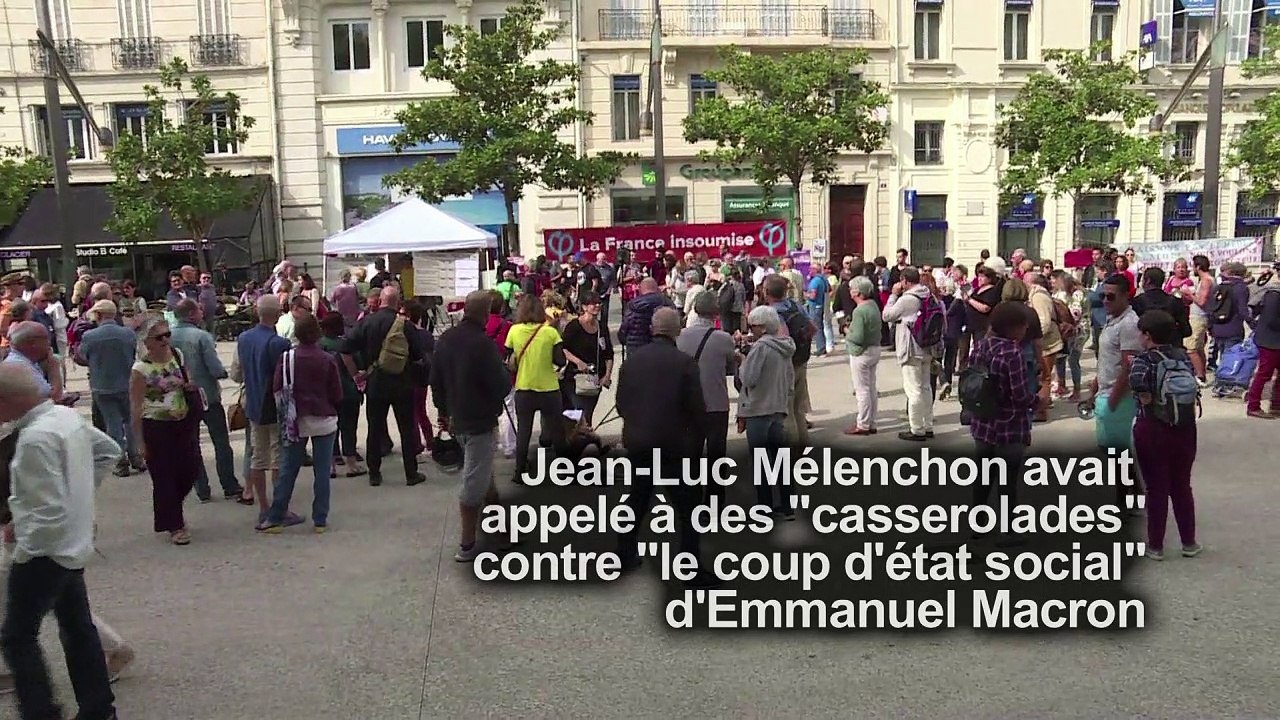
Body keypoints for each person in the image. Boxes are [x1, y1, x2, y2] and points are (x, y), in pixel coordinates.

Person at [0, 364, 120, 720]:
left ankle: (42, 712)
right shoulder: (65, 417)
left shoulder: (34, 438)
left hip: (46, 552)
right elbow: (107, 451)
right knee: (77, 626)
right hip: (73, 542)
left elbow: (46, 514)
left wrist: (25, 547)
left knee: (17, 636)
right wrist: (81, 496)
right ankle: (99, 709)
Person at [615, 307, 715, 587]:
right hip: (673, 442)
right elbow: (697, 409)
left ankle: (624, 554)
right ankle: (690, 569)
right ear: (678, 330)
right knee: (687, 507)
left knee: (636, 499)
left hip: (638, 440)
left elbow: (621, 404)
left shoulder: (632, 362)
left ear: (651, 329)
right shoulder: (684, 363)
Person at [431, 291, 513, 562]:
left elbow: (436, 380)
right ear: (485, 313)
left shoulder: (445, 339)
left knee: (485, 478)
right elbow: (502, 385)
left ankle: (502, 533)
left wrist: (443, 412)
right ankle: (467, 544)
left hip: (456, 418)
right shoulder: (483, 344)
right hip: (479, 420)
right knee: (473, 484)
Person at [1128, 310, 1201, 561]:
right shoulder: (1183, 357)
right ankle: (1189, 542)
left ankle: (1156, 545)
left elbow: (1140, 390)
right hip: (1184, 427)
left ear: (1147, 335)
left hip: (1152, 427)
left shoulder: (1143, 361)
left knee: (1156, 488)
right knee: (1182, 485)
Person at [260, 315, 342, 534]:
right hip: (324, 418)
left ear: (296, 333)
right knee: (322, 471)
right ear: (318, 333)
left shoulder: (286, 358)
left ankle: (276, 516)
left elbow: (277, 387)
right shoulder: (327, 359)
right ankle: (320, 520)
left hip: (295, 420)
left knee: (288, 469)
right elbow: (337, 393)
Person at [967, 303, 1040, 546]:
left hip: (983, 422)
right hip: (1009, 425)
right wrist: (1037, 400)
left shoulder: (980, 346)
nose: (1025, 329)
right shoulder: (1012, 352)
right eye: (1022, 325)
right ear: (1012, 328)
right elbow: (1019, 394)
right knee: (1007, 480)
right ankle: (1008, 530)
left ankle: (978, 524)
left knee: (983, 477)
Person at [341, 287, 429, 487]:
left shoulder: (366, 322)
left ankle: (374, 473)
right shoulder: (404, 325)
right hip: (402, 383)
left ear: (380, 301)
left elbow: (345, 350)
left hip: (376, 383)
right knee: (406, 428)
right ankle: (411, 473)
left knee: (375, 428)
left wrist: (356, 374)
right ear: (398, 302)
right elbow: (417, 356)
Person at [130, 314, 203, 545]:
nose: (165, 340)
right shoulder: (140, 369)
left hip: (183, 421)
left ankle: (169, 511)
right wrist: (139, 441)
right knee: (164, 477)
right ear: (147, 342)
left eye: (167, 335)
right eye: (159, 337)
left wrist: (189, 385)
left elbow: (186, 378)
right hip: (156, 427)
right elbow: (135, 406)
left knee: (190, 469)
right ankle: (175, 525)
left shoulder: (177, 355)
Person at [170, 299, 244, 503]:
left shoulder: (169, 337)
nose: (202, 313)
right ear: (192, 314)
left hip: (181, 397)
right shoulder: (202, 336)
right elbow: (214, 367)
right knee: (220, 442)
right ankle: (229, 484)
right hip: (207, 395)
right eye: (199, 310)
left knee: (192, 443)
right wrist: (222, 373)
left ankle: (201, 487)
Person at [231, 295, 297, 518]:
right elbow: (288, 379)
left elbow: (237, 373)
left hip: (253, 404)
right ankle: (280, 509)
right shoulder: (280, 343)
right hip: (276, 406)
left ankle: (263, 506)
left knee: (258, 457)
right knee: (279, 458)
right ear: (278, 313)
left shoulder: (243, 338)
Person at [1090, 274, 1144, 507]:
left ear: (1125, 295)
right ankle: (1133, 495)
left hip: (1118, 396)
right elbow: (1109, 358)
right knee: (1111, 450)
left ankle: (1125, 499)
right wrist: (1095, 384)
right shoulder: (1113, 319)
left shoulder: (1129, 323)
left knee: (1116, 452)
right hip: (1105, 391)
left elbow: (1128, 365)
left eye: (1110, 296)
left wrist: (1113, 398)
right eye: (1103, 295)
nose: (1105, 300)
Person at [736, 305, 795, 516]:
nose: (751, 330)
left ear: (761, 327)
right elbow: (790, 378)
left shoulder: (761, 348)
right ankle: (787, 504)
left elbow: (749, 378)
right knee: (780, 460)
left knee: (761, 462)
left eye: (753, 326)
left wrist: (742, 361)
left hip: (759, 408)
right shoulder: (785, 345)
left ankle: (764, 505)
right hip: (778, 406)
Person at [75, 300, 144, 477]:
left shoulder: (90, 336)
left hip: (102, 385)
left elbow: (82, 357)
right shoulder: (128, 334)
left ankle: (120, 461)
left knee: (113, 424)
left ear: (98, 315)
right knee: (130, 421)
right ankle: (136, 456)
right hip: (126, 382)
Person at [504, 294, 567, 484]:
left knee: (524, 432)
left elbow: (507, 357)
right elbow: (560, 360)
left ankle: (519, 472)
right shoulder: (550, 333)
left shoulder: (514, 331)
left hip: (524, 387)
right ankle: (564, 472)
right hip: (549, 388)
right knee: (557, 432)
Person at [677, 291, 736, 470]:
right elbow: (730, 368)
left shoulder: (680, 337)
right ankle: (715, 494)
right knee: (717, 455)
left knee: (691, 453)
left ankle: (691, 493)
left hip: (689, 403)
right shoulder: (724, 338)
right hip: (716, 402)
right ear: (715, 313)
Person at [883, 268, 935, 441]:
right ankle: (928, 425)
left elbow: (887, 315)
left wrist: (893, 295)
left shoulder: (907, 299)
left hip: (911, 348)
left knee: (913, 389)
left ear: (905, 280)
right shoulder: (928, 294)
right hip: (927, 347)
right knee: (926, 387)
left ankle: (916, 429)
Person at [319, 312, 367, 476]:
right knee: (349, 427)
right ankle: (351, 464)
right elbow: (359, 368)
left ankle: (331, 464)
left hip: (326, 393)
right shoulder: (346, 345)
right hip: (348, 392)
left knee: (330, 428)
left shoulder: (319, 345)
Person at [561, 291, 615, 426]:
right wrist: (578, 361)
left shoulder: (601, 327)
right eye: (593, 303)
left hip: (595, 379)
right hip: (575, 379)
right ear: (584, 307)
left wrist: (607, 375)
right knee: (579, 414)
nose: (597, 306)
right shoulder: (574, 326)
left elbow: (608, 353)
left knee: (588, 416)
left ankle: (583, 439)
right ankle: (575, 439)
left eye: (598, 303)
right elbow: (562, 348)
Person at [844, 276, 883, 436]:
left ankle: (863, 424)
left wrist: (847, 332)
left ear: (858, 292)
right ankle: (871, 421)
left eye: (852, 289)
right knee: (871, 387)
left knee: (862, 390)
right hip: (874, 348)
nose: (850, 291)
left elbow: (858, 337)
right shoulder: (873, 305)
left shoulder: (859, 311)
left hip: (861, 352)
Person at [1246, 268, 1280, 419]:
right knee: (1264, 374)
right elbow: (1272, 320)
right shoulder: (1274, 294)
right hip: (1269, 340)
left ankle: (1276, 406)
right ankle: (1253, 406)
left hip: (1275, 340)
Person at [618, 277, 672, 353]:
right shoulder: (667, 303)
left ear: (641, 289)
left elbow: (624, 329)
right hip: (663, 349)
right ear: (656, 288)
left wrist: (624, 341)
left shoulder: (633, 305)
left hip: (636, 350)